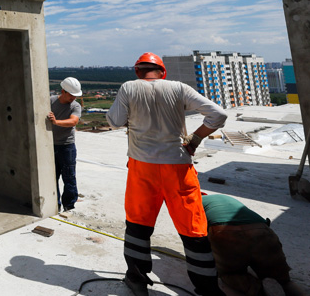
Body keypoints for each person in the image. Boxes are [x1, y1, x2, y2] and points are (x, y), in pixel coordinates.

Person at [106, 52, 228, 296]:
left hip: (143, 167)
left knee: (138, 224)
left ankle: (137, 279)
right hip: (178, 166)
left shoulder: (129, 87)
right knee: (194, 229)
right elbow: (219, 114)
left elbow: (115, 121)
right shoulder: (178, 88)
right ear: (163, 72)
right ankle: (208, 289)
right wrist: (196, 137)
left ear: (138, 71)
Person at [201, 194, 306, 296]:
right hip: (262, 230)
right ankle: (292, 288)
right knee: (283, 280)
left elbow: (194, 236)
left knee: (231, 274)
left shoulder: (194, 204)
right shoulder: (222, 198)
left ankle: (258, 290)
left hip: (225, 233)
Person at [48, 77, 82, 216]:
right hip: (50, 146)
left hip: (66, 146)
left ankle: (69, 206)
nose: (74, 97)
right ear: (63, 91)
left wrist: (56, 122)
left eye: (75, 95)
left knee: (69, 177)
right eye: (71, 95)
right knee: (51, 177)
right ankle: (55, 205)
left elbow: (73, 121)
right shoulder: (50, 101)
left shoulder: (75, 106)